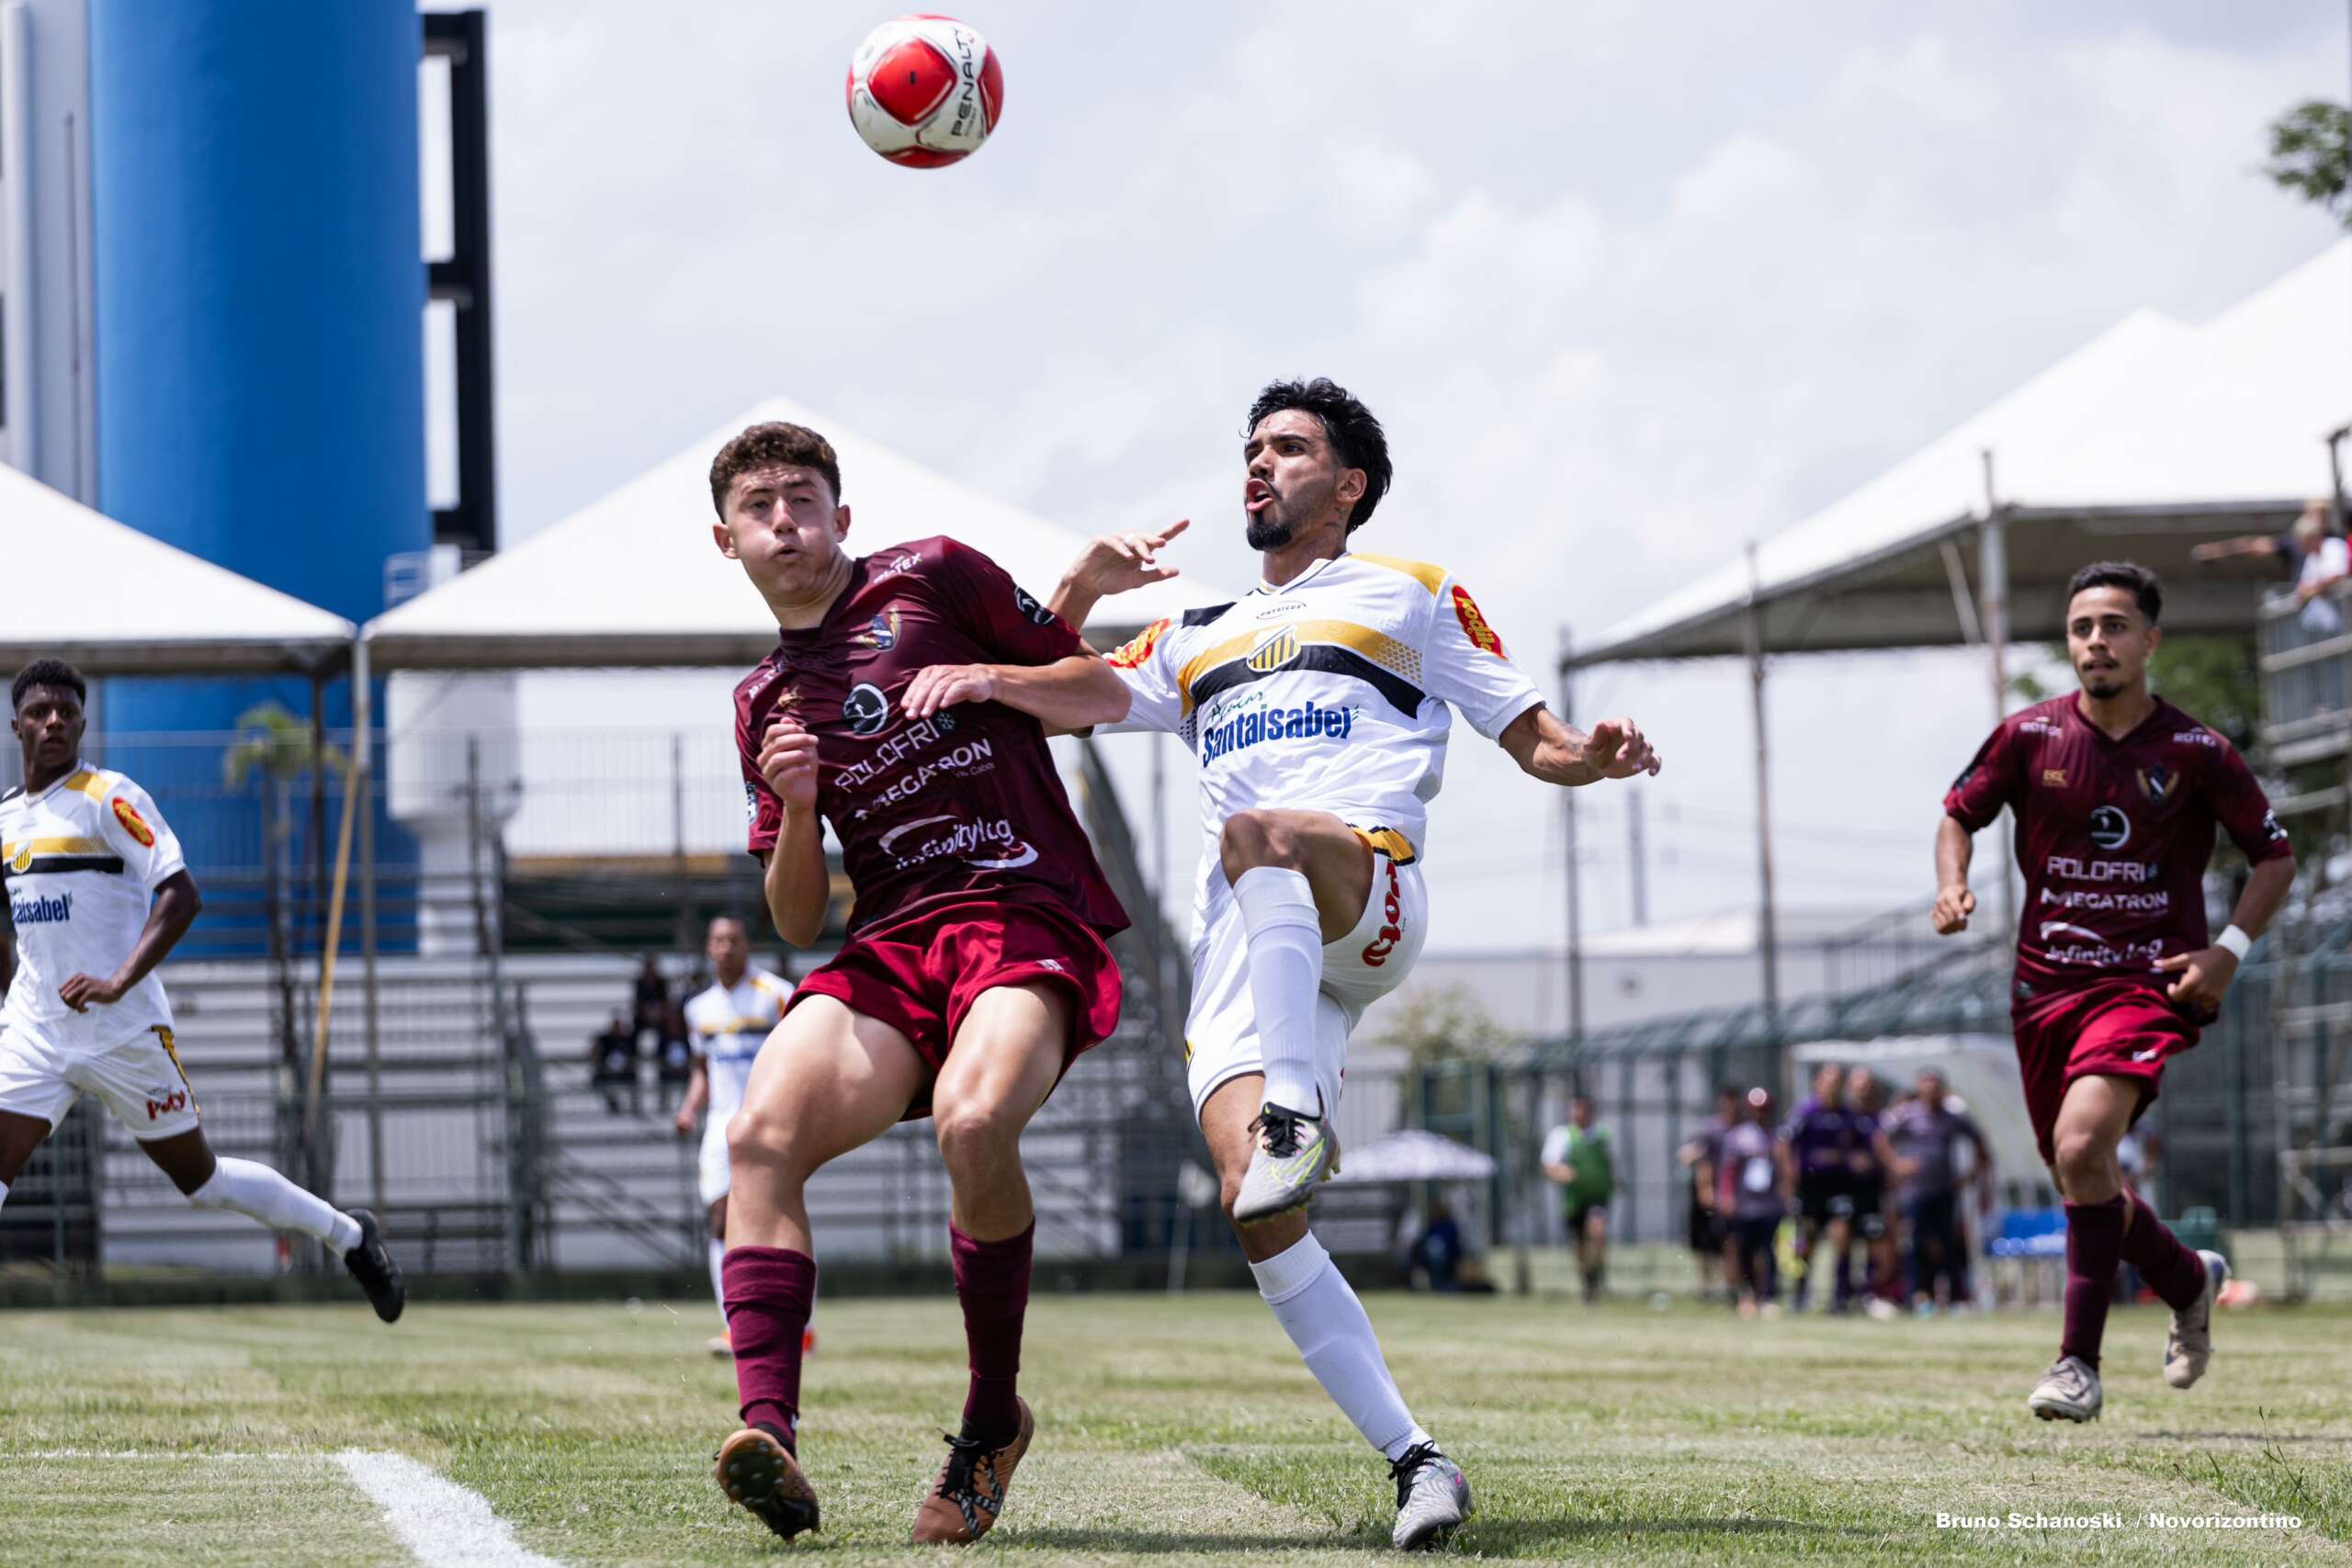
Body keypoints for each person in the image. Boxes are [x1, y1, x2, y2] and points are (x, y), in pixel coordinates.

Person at [1035, 377, 1661, 1549]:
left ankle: (1292, 1118)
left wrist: (1600, 753)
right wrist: (1062, 603)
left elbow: (1538, 741)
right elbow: (1047, 690)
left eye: (1288, 449)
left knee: (1260, 832)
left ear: (1349, 485)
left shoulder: (1416, 594)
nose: (1257, 468)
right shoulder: (1194, 629)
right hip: (1246, 945)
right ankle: (1420, 1461)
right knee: (1253, 1211)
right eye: (1251, 450)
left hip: (1362, 894)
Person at [704, 421, 1131, 1545]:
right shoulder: (761, 704)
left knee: (973, 1119)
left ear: (843, 515)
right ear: (727, 540)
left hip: (1019, 909)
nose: (786, 521)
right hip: (890, 941)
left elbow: (1099, 693)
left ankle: (992, 1420)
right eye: (762, 508)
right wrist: (797, 808)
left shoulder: (933, 573)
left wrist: (994, 674)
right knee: (757, 1143)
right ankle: (770, 1440)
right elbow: (795, 920)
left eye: (804, 498)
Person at [1935, 559, 2294, 1422]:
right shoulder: (2029, 737)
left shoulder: (2197, 751)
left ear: (2150, 640)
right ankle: (2185, 1275)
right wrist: (1950, 884)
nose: (2097, 641)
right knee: (2080, 1165)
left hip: (2147, 984)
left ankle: (2076, 1366)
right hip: (2044, 989)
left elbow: (2275, 855)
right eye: (2083, 627)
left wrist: (2227, 951)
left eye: (2115, 626)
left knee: (2085, 1144)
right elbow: (1958, 811)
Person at [0, 659, 403, 1320]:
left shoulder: (108, 797)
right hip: (37, 1034)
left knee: (203, 1181)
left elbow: (181, 893)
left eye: (66, 712)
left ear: (82, 722)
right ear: (16, 724)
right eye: (40, 712)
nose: (53, 722)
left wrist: (115, 981)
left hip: (123, 1031)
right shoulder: (7, 820)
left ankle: (350, 1235)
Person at [673, 916, 791, 1355]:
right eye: (718, 941)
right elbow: (702, 1070)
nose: (725, 948)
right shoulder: (699, 1008)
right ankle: (734, 1326)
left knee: (777, 1219)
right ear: (708, 948)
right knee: (721, 1220)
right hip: (721, 1125)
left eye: (734, 940)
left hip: (767, 1120)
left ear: (748, 946)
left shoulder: (777, 995)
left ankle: (801, 1327)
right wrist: (689, 1109)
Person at [1883, 1068, 1994, 1312]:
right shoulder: (1907, 1115)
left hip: (1945, 1191)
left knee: (1948, 1244)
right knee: (1916, 1244)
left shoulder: (1953, 1118)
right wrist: (1897, 1164)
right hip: (1915, 1192)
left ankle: (1955, 1298)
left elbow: (1980, 1141)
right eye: (1927, 1085)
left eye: (1936, 1086)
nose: (1931, 1091)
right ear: (1919, 1088)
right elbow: (1880, 1138)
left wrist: (1971, 1175)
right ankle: (1917, 1296)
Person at [2190, 498, 2346, 636]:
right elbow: (2254, 547)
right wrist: (2217, 551)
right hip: (2310, 612)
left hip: (2337, 612)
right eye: (2314, 513)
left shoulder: (2336, 541)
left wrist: (2313, 589)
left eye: (2322, 513)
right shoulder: (2294, 540)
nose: (2318, 518)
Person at [1778, 1063, 1860, 1313]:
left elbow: (1863, 1145)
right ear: (1818, 1083)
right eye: (1828, 1080)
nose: (1833, 1086)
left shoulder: (1848, 1115)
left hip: (1839, 1187)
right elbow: (1783, 1143)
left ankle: (1841, 1297)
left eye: (1837, 1081)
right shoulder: (1805, 1111)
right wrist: (1788, 1178)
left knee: (1842, 1236)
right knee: (1808, 1240)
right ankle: (1801, 1293)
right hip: (1810, 1187)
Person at [1541, 1095, 1615, 1302]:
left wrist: (1613, 1179)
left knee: (1598, 1229)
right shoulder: (1562, 1135)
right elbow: (1549, 1165)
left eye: (1582, 1109)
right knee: (1580, 1245)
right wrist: (1562, 1172)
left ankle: (1598, 1272)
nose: (1579, 1114)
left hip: (1597, 1196)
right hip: (1574, 1199)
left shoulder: (1601, 1135)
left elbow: (1608, 1160)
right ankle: (1588, 1281)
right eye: (1575, 1109)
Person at [1717, 1088, 1784, 1318]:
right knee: (1744, 1251)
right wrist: (1726, 1196)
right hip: (1745, 1206)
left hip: (1770, 1204)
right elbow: (1728, 1170)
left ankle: (1769, 1296)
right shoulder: (1738, 1136)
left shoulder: (1778, 1136)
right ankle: (1747, 1295)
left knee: (1770, 1252)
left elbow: (1786, 1170)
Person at [1843, 1067, 1902, 1318]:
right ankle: (1842, 1296)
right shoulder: (1841, 1116)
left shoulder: (1882, 1119)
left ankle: (1872, 1293)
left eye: (1867, 1084)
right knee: (1842, 1241)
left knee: (1878, 1245)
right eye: (1858, 1084)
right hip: (1844, 1191)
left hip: (1874, 1193)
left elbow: (1888, 1152)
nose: (1863, 1089)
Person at [1679, 1085, 1739, 1300]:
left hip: (1731, 1193)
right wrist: (1705, 1188)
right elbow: (1689, 1154)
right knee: (1704, 1242)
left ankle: (1729, 1285)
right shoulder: (1710, 1129)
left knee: (1727, 1241)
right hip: (1708, 1192)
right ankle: (1706, 1287)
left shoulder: (1741, 1129)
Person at [590, 1010, 639, 1115]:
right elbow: (595, 1051)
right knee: (599, 1080)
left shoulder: (628, 1040)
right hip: (607, 1071)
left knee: (633, 1078)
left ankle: (634, 1106)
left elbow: (633, 1057)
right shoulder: (604, 1039)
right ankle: (613, 1105)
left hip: (624, 1071)